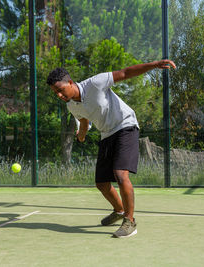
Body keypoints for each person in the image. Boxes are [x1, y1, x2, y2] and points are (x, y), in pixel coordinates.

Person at [47, 60, 176, 238]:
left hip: (126, 125)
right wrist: (81, 136)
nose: (59, 95)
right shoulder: (71, 105)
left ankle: (130, 221)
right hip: (107, 134)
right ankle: (119, 210)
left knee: (121, 174)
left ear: (70, 83)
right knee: (101, 183)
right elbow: (84, 121)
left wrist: (154, 65)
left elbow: (125, 73)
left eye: (60, 90)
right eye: (56, 93)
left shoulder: (95, 83)